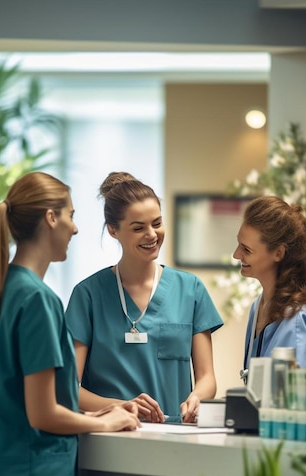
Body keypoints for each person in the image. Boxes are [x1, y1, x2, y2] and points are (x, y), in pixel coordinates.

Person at [0, 171, 140, 476]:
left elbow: (34, 395)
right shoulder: (37, 300)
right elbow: (44, 412)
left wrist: (108, 406)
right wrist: (106, 422)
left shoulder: (5, 291)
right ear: (50, 218)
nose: (75, 227)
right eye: (71, 215)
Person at [65, 171, 223, 423]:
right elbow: (68, 387)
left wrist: (197, 397)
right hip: (110, 439)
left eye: (157, 223)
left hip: (175, 438)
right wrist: (123, 406)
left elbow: (207, 378)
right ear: (113, 230)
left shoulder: (190, 289)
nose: (151, 235)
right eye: (138, 228)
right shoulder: (88, 296)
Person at [233, 195, 306, 378]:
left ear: (279, 253)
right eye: (238, 245)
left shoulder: (297, 320)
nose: (236, 255)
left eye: (246, 249)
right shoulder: (258, 307)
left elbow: (296, 402)